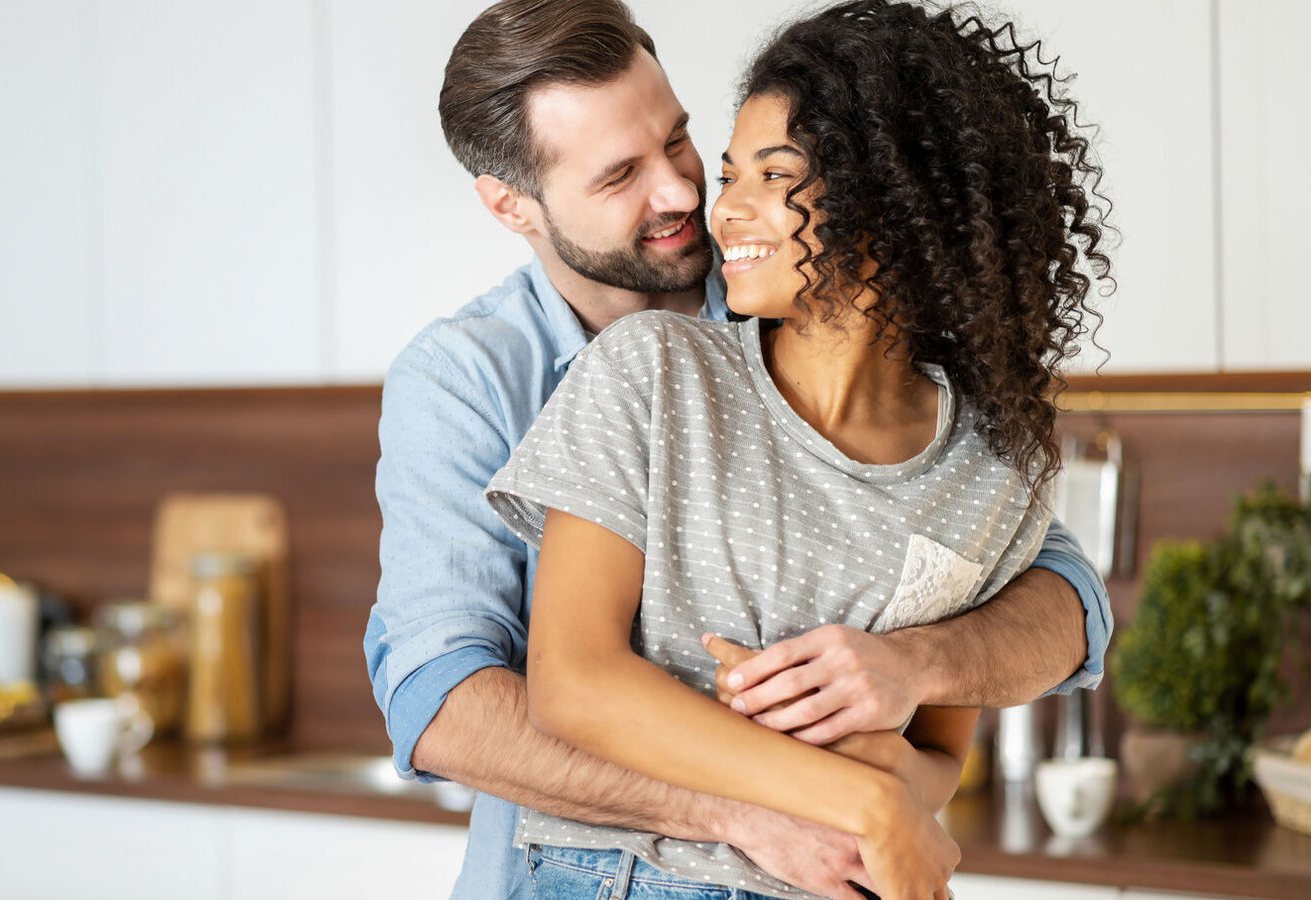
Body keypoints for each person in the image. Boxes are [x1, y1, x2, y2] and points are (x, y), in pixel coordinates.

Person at [365, 1, 1111, 897]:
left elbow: (1054, 599)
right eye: (620, 176)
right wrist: (760, 812)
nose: (688, 197)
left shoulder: (813, 297)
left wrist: (909, 685)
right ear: (512, 205)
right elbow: (442, 704)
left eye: (679, 142)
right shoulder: (470, 378)